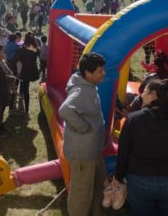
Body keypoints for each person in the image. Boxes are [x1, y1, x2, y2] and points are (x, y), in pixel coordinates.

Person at [113, 79, 168, 216]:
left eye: (145, 91)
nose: (141, 95)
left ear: (153, 94)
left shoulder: (134, 119)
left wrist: (118, 176)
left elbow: (123, 151)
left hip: (140, 179)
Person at [58, 52, 107, 216]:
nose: (104, 73)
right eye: (100, 71)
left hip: (92, 151)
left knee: (97, 186)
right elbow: (65, 110)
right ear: (88, 73)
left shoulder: (87, 84)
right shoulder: (80, 90)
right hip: (83, 154)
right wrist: (84, 127)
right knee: (81, 194)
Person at [12, 32, 40, 119]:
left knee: (17, 88)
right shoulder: (36, 49)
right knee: (26, 90)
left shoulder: (22, 50)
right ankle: (27, 111)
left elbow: (14, 60)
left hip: (22, 72)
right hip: (32, 72)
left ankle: (11, 107)